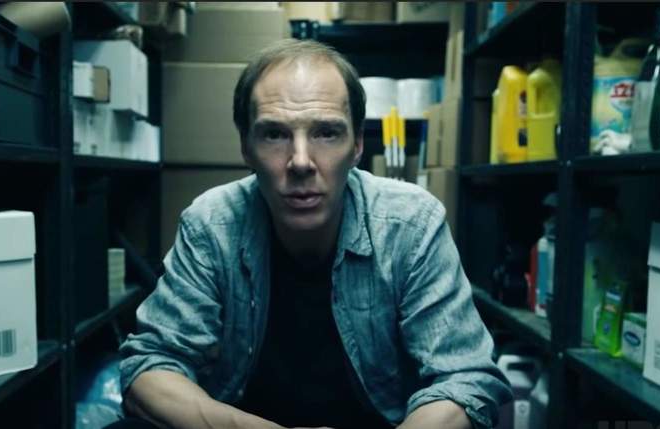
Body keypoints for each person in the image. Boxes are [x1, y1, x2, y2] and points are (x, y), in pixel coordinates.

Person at [117, 39, 511, 429]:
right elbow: (150, 366)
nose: (301, 162)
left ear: (357, 144)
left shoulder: (410, 224)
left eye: (326, 133)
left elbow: (464, 379)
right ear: (245, 147)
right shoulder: (212, 224)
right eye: (274, 134)